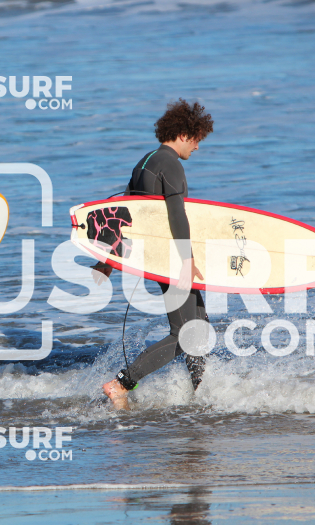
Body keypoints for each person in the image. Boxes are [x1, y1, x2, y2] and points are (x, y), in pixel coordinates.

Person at [94, 99, 214, 410]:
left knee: (199, 327)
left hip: (159, 256)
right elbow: (177, 215)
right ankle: (121, 384)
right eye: (197, 139)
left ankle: (201, 396)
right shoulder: (171, 164)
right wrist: (187, 261)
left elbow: (123, 214)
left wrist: (107, 260)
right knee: (185, 333)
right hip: (171, 257)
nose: (197, 147)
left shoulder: (144, 162)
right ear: (184, 135)